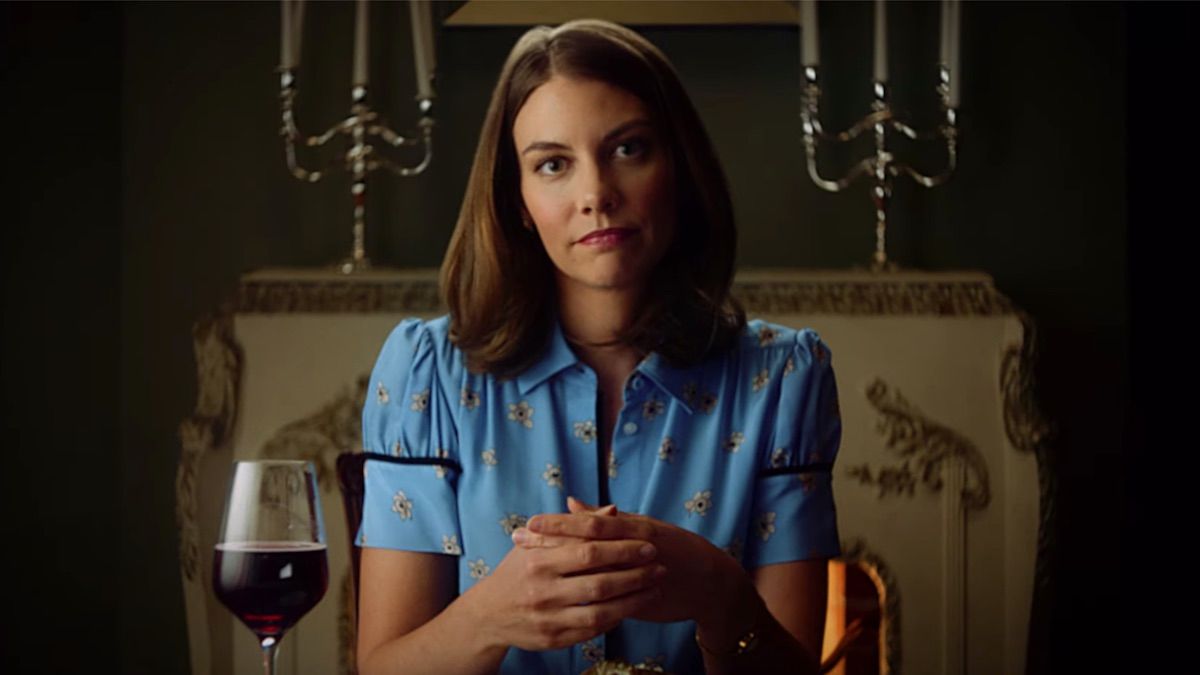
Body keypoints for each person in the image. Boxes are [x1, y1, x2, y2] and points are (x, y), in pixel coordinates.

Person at [355, 19, 842, 675]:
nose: (596, 196)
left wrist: (720, 593)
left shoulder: (781, 381)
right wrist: (488, 617)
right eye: (553, 164)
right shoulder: (429, 375)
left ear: (680, 167)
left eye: (628, 149)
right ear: (518, 199)